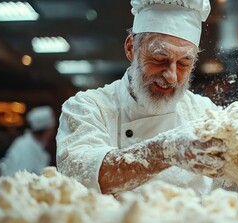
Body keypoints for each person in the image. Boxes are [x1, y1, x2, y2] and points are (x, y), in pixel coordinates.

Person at [56, 0, 228, 196]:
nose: (171, 76)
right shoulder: (87, 108)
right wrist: (166, 151)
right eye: (159, 59)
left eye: (183, 64)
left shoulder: (208, 114)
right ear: (131, 48)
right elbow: (79, 178)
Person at [1, 106, 56, 176]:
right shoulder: (23, 146)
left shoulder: (36, 146)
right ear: (47, 130)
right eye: (52, 129)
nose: (53, 132)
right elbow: (19, 178)